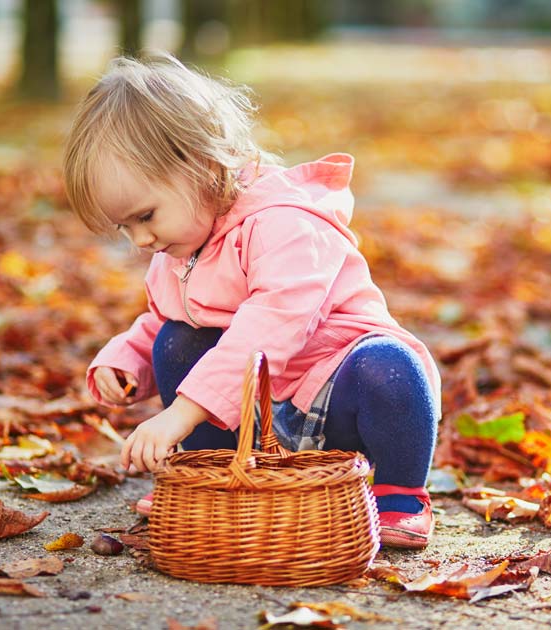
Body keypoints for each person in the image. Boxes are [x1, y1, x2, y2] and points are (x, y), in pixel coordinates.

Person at [62, 55, 441, 549]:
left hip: (335, 396)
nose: (139, 239)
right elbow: (163, 321)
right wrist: (126, 359)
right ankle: (216, 474)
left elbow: (273, 324)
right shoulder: (179, 249)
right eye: (124, 227)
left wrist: (182, 411)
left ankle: (399, 494)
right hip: (256, 414)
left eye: (145, 216)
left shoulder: (283, 223)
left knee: (390, 369)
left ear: (201, 164)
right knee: (178, 341)